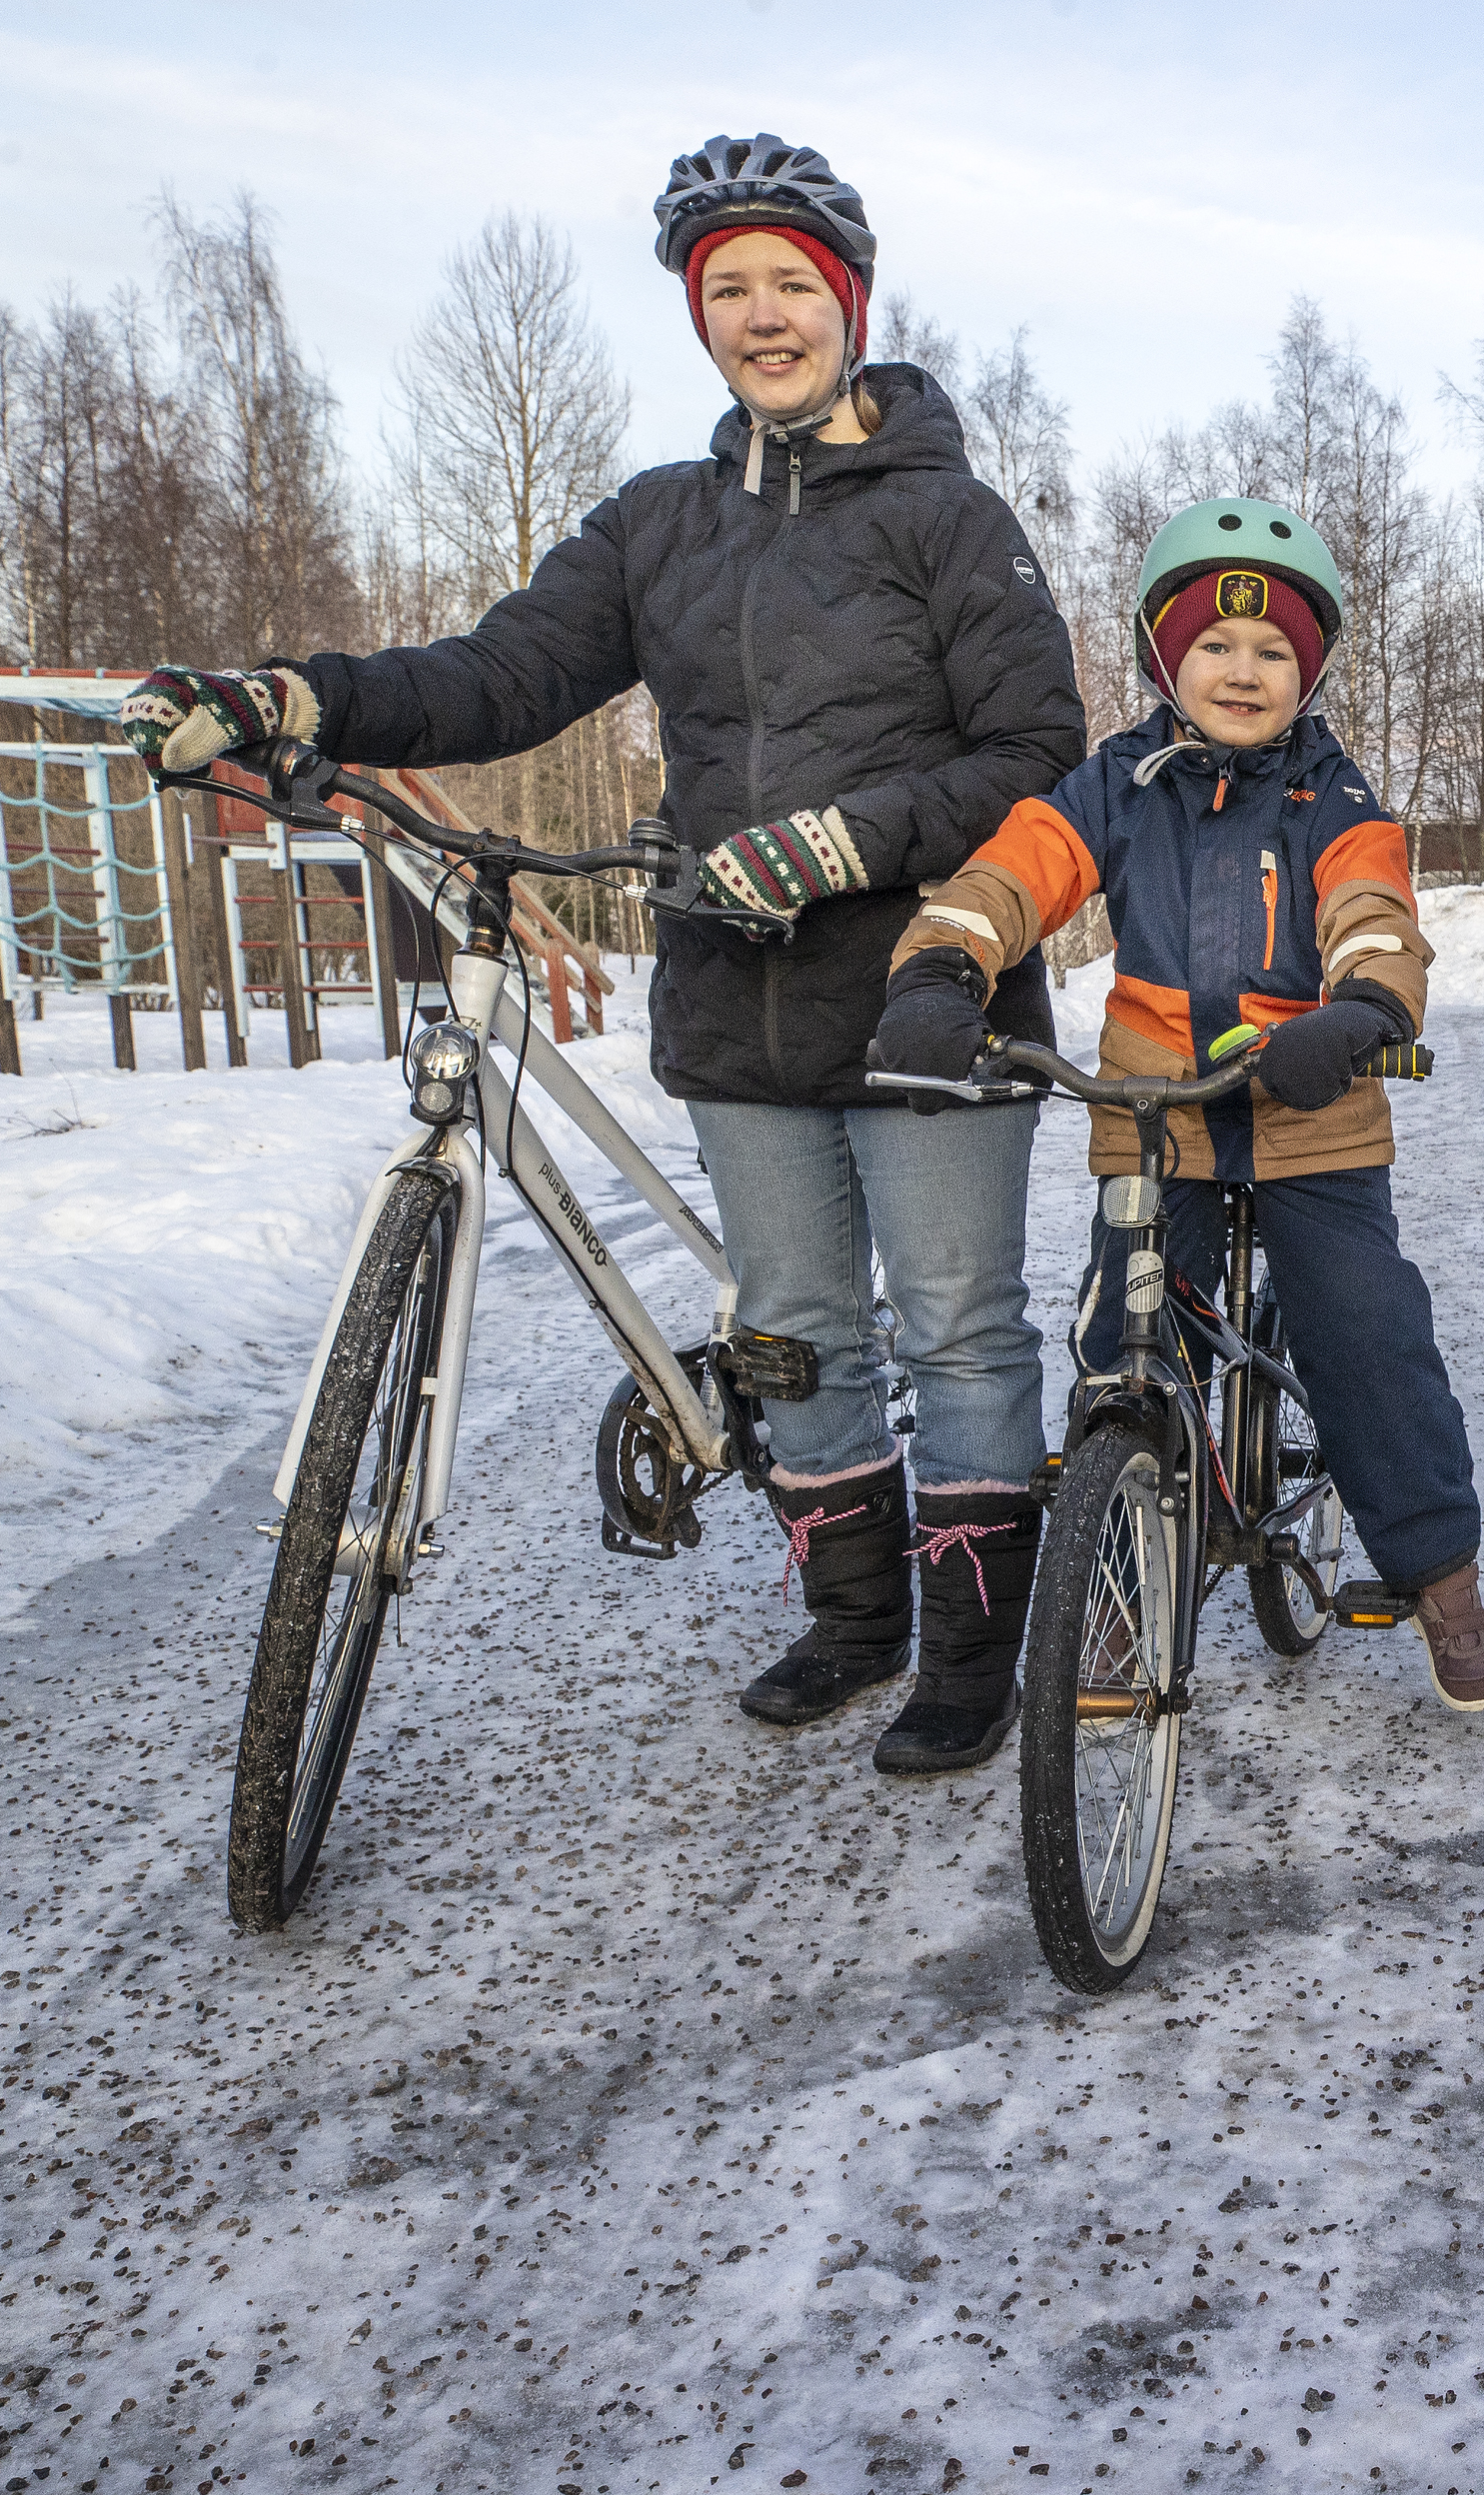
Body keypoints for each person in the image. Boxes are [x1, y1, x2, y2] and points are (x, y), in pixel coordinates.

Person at [118, 135, 1084, 1774]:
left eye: (792, 284)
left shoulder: (947, 516)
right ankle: (858, 1619)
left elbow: (1036, 745)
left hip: (928, 988)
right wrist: (298, 697)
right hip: (735, 998)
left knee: (955, 1323)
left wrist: (853, 840)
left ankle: (971, 1652)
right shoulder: (659, 527)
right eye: (730, 292)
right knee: (791, 1324)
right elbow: (502, 674)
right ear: (699, 318)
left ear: (848, 302)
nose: (764, 315)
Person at [871, 495, 1484, 1711]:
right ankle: (1115, 1582)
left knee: (1367, 1335)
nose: (1243, 669)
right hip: (1155, 1117)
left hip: (1309, 1107)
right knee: (1122, 1339)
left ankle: (1442, 1576)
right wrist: (943, 963)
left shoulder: (1338, 797)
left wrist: (1364, 1011)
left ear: (1308, 672)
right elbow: (1015, 871)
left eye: (1274, 649)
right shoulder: (1117, 782)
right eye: (1215, 645)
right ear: (1166, 656)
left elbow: (1374, 916)